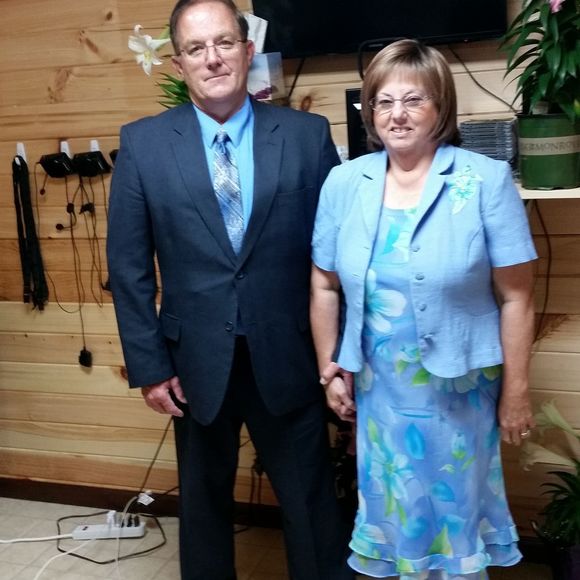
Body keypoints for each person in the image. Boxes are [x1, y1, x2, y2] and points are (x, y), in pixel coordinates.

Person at [106, 1, 354, 579]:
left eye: (223, 43)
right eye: (196, 48)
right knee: (202, 507)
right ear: (178, 63)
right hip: (191, 363)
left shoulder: (306, 136)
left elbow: (337, 260)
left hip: (290, 354)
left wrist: (341, 354)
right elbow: (129, 267)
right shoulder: (143, 145)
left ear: (247, 51)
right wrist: (149, 366)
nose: (212, 58)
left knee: (311, 503)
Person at [310, 39, 538, 579]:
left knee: (454, 513)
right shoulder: (345, 182)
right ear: (369, 111)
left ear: (440, 106)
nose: (398, 114)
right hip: (380, 391)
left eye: (414, 99)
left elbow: (517, 297)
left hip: (460, 391)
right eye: (383, 101)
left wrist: (517, 392)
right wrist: (330, 368)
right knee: (395, 508)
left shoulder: (484, 180)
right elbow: (324, 285)